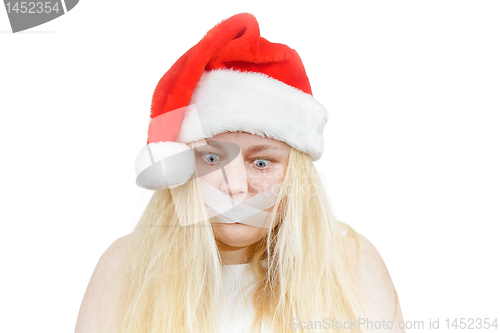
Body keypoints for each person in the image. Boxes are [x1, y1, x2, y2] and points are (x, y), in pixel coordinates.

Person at [75, 13, 405, 333]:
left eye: (261, 163)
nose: (235, 187)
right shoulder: (126, 266)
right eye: (212, 158)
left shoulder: (351, 263)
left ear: (295, 175)